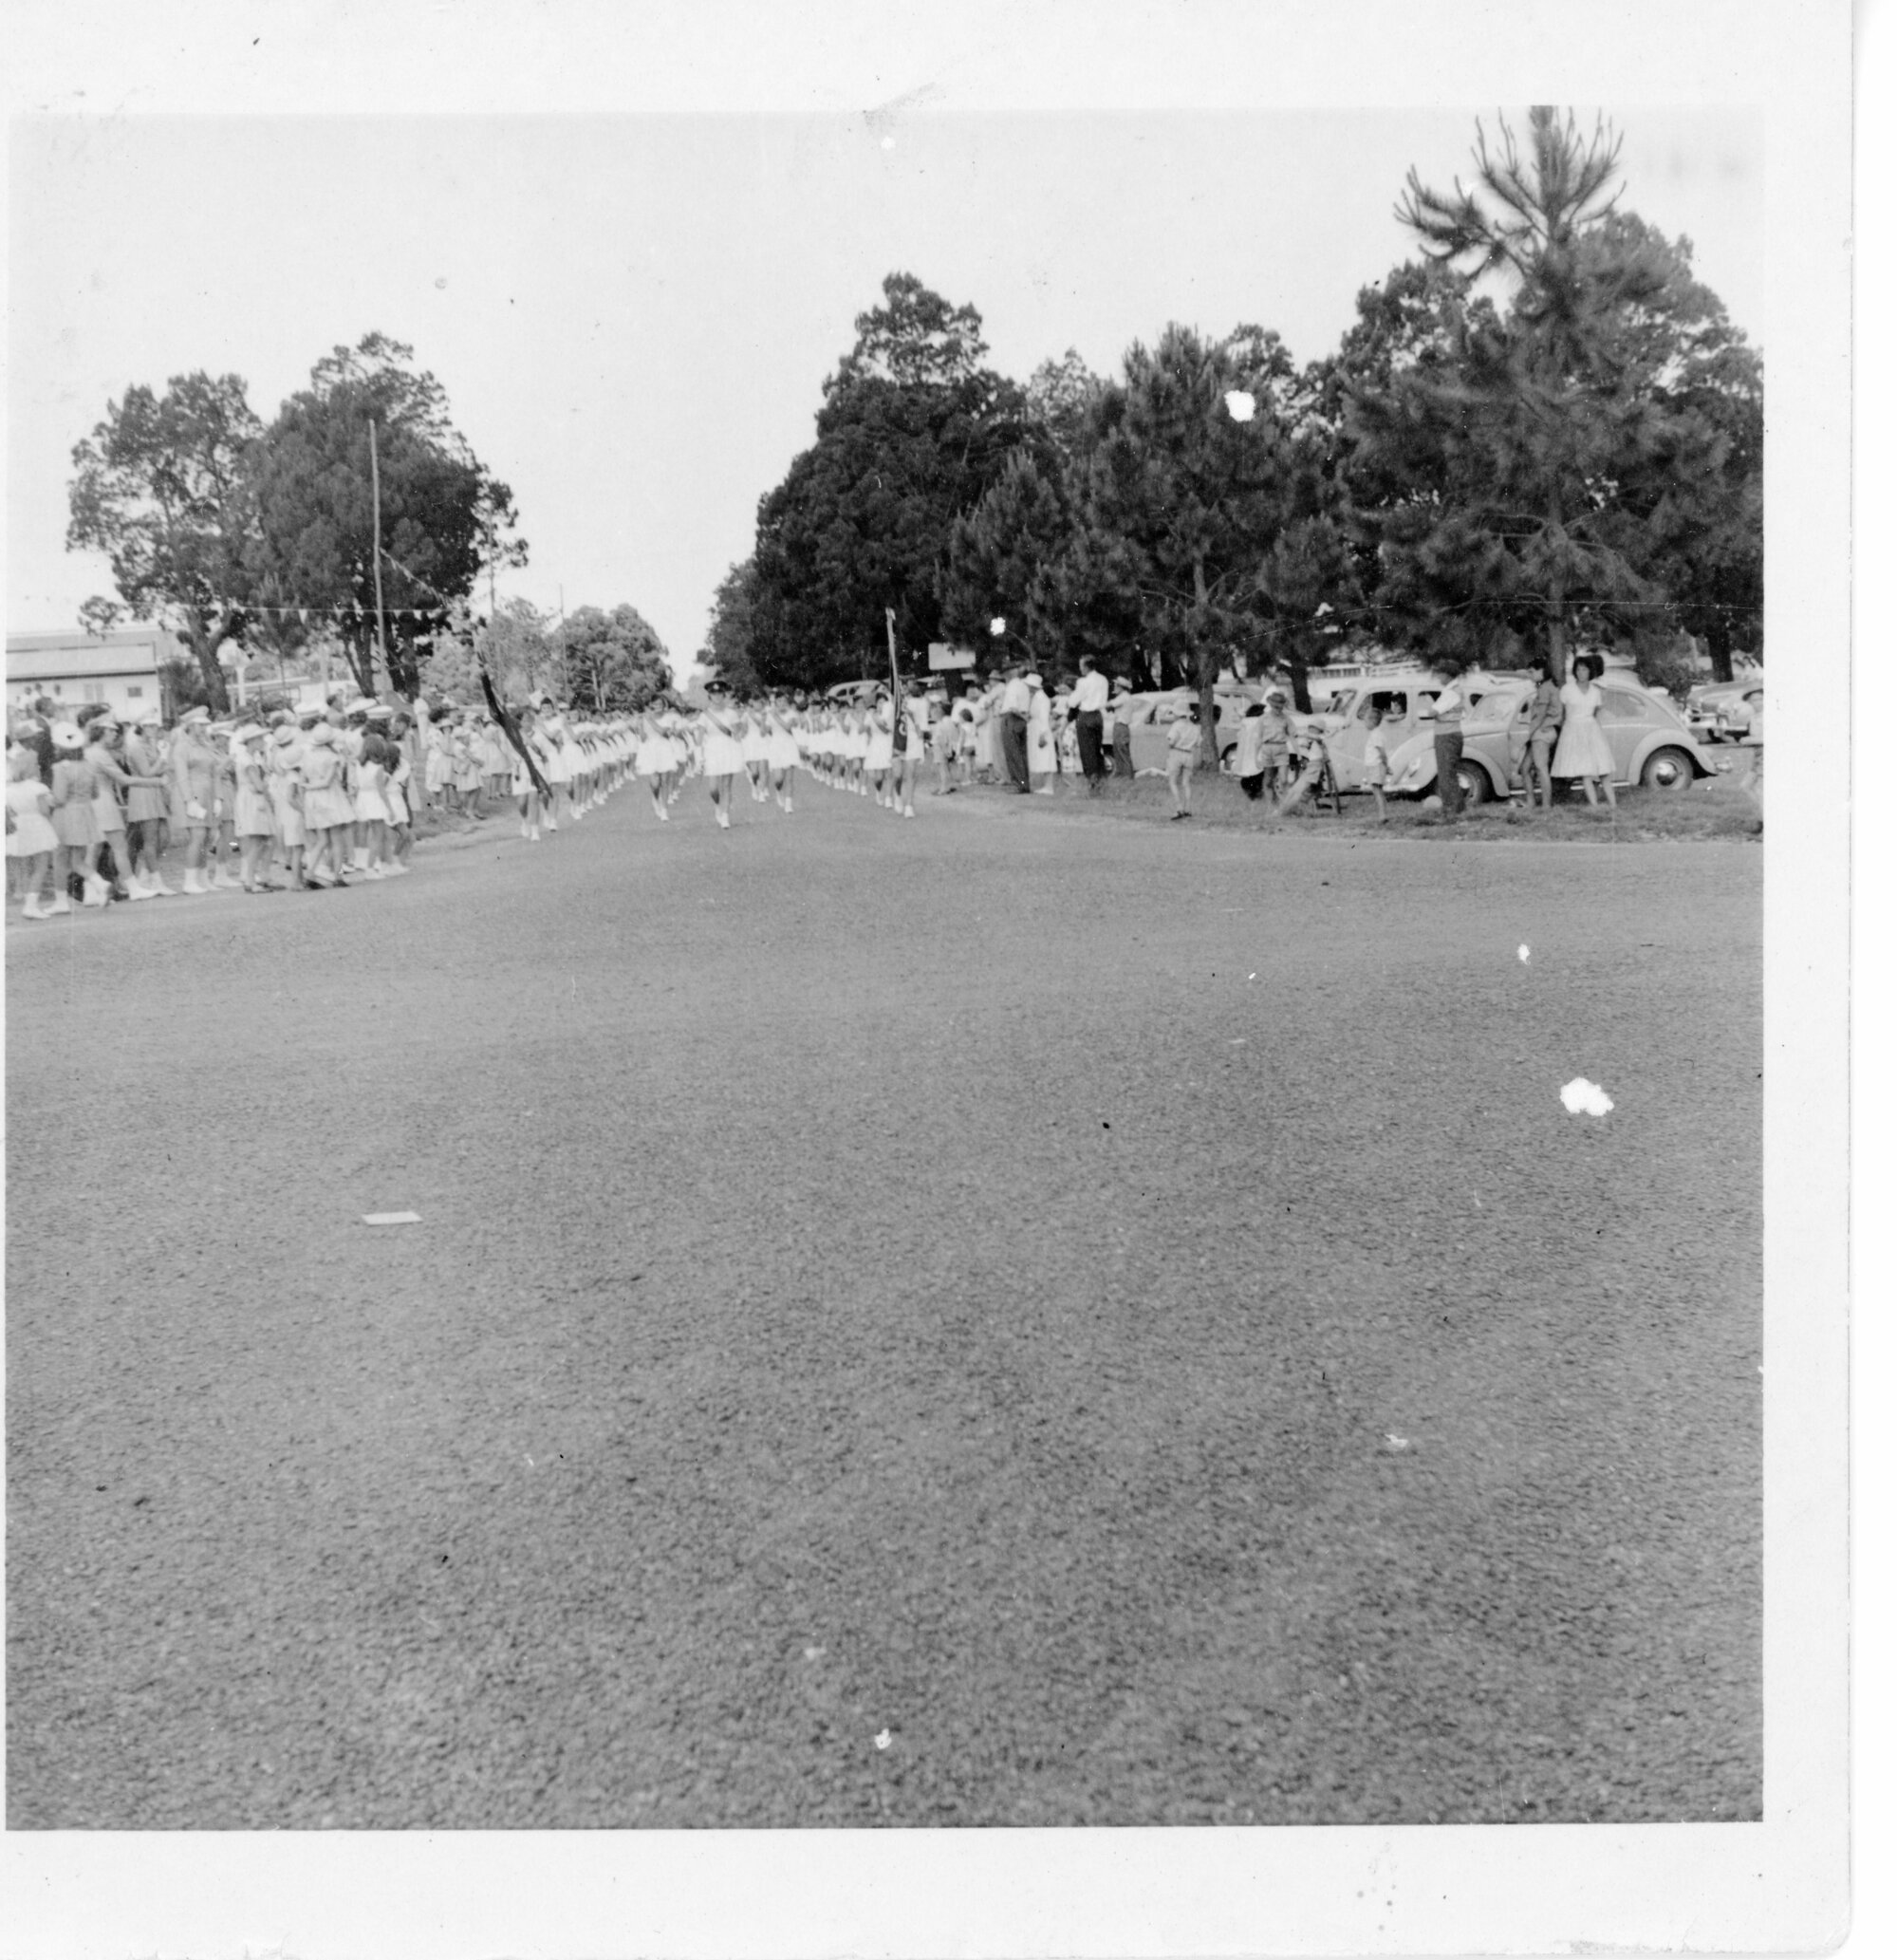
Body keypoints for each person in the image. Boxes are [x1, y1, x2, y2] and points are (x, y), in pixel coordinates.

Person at [1552, 654, 1617, 810]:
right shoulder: (1567, 689)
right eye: (1578, 669)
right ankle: (1594, 805)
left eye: (1585, 669)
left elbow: (1594, 713)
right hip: (1573, 730)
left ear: (1590, 672)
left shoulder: (1595, 691)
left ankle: (1613, 805)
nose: (1581, 673)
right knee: (1585, 770)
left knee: (1603, 769)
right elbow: (1560, 714)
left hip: (1591, 730)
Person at [122, 708, 176, 896]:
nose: (153, 729)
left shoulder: (152, 745)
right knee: (151, 840)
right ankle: (155, 881)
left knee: (163, 837)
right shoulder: (136, 747)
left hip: (155, 792)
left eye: (154, 725)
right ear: (141, 728)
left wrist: (163, 763)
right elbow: (146, 772)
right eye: (149, 726)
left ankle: (145, 875)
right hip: (143, 793)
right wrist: (161, 760)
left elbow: (161, 769)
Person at [7, 745, 60, 918]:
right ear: (30, 767)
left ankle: (29, 901)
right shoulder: (37, 787)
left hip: (19, 826)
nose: (38, 766)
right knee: (41, 866)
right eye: (36, 763)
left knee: (26, 866)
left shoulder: (9, 789)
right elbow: (45, 811)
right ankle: (31, 906)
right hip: (37, 826)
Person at [1426, 670, 1473, 818]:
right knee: (1450, 772)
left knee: (1445, 774)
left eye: (1440, 674)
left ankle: (1450, 809)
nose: (1438, 677)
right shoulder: (1457, 691)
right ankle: (1458, 808)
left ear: (1447, 675)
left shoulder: (1450, 693)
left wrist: (1432, 707)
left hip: (1446, 735)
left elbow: (1432, 712)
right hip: (1453, 733)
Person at [1522, 667, 1565, 810]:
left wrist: (1528, 734)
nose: (1530, 675)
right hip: (1545, 731)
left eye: (1532, 671)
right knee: (1525, 768)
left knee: (1541, 768)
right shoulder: (1550, 687)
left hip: (1541, 732)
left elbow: (1540, 715)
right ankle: (1531, 801)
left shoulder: (1545, 688)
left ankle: (1546, 805)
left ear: (1541, 671)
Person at [1068, 655, 1109, 793]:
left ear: (1085, 666)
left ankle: (1092, 782)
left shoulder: (1083, 682)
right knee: (1097, 749)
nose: (1080, 669)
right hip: (1098, 715)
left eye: (1081, 666)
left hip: (1085, 715)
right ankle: (1101, 779)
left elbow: (1073, 701)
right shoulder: (1103, 679)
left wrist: (1070, 697)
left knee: (1087, 751)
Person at [998, 665, 1032, 790]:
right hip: (1020, 719)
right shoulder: (1024, 685)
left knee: (1013, 753)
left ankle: (1019, 784)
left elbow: (1013, 706)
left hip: (1012, 717)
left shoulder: (1013, 685)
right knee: (1021, 753)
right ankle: (1024, 783)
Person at [1164, 700, 1200, 817]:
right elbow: (1199, 743)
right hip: (1189, 754)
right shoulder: (1194, 727)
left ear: (1177, 714)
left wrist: (1170, 745)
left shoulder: (1176, 725)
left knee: (1173, 781)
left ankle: (1179, 808)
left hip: (1176, 752)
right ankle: (1188, 808)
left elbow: (1171, 740)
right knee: (1186, 783)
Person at [1362, 702, 1395, 823]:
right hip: (1374, 766)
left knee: (1377, 791)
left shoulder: (1376, 735)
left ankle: (1382, 815)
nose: (1364, 724)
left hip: (1376, 766)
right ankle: (1382, 814)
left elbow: (1382, 753)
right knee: (1377, 791)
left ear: (1372, 721)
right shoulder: (1375, 734)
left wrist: (1386, 766)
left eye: (1365, 721)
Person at [1026, 674, 1056, 793]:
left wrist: (1043, 733)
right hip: (1036, 727)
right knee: (1042, 757)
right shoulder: (1037, 697)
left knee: (1045, 756)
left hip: (1041, 729)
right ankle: (1045, 786)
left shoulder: (1041, 698)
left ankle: (1049, 787)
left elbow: (1043, 716)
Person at [1235, 701, 1269, 800]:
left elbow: (1239, 737)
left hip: (1246, 756)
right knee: (1259, 777)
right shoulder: (1261, 723)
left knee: (1248, 778)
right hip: (1259, 756)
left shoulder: (1245, 724)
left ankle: (1253, 797)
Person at [1107, 681, 1136, 780]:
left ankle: (1126, 776)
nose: (1114, 688)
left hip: (1120, 726)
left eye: (1116, 686)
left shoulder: (1123, 697)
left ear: (1121, 687)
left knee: (1121, 750)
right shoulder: (1127, 696)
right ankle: (1126, 774)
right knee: (1122, 750)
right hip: (1124, 727)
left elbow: (1110, 705)